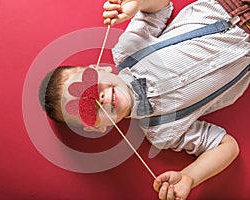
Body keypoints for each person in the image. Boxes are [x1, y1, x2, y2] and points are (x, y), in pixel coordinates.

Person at [39, 0, 250, 199]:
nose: (98, 100)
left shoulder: (127, 51)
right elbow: (226, 146)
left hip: (229, 6)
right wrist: (191, 176)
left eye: (88, 87)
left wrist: (137, 4)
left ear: (99, 69)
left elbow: (160, 7)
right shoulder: (163, 132)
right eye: (86, 109)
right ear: (96, 128)